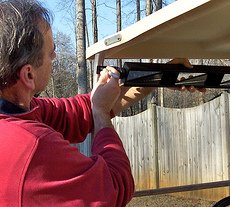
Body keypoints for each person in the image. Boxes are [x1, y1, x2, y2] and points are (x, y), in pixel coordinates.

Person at [0, 0, 200, 206]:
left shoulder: (21, 111)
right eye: (51, 53)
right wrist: (101, 113)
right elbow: (114, 185)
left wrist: (158, 76)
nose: (55, 57)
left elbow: (80, 112)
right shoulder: (35, 146)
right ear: (28, 74)